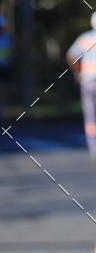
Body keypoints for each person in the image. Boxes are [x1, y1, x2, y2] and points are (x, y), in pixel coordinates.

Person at [67, 13, 96, 159]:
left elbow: (71, 55)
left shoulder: (85, 38)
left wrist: (79, 73)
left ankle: (94, 149)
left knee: (91, 116)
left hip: (88, 82)